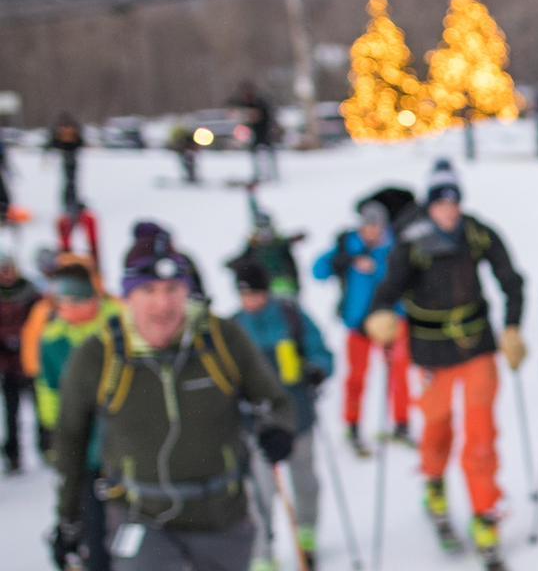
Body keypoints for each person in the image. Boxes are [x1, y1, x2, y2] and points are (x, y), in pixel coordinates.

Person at [50, 222, 295, 571]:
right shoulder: (99, 354)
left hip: (222, 516)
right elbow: (71, 437)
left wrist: (277, 428)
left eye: (172, 288)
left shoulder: (221, 338)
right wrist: (68, 518)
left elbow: (273, 400)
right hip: (141, 517)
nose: (162, 304)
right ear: (127, 295)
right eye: (148, 289)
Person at [364, 158, 525, 565]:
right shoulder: (411, 241)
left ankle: (484, 512)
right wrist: (380, 314)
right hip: (431, 350)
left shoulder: (476, 232)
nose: (449, 211)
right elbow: (387, 287)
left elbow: (511, 279)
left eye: (454, 202)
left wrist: (512, 327)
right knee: (436, 426)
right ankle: (434, 483)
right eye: (441, 203)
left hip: (477, 346)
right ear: (429, 204)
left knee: (481, 432)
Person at [230, 260, 332, 571]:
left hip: (296, 412)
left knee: (304, 479)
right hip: (256, 422)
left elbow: (319, 350)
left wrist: (316, 369)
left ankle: (306, 534)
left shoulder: (290, 316)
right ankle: (263, 553)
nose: (251, 301)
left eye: (256, 294)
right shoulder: (233, 327)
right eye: (245, 295)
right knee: (260, 493)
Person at [24, 255, 119, 571]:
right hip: (87, 452)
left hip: (131, 445)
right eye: (62, 302)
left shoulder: (121, 322)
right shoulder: (52, 340)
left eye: (76, 300)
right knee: (94, 532)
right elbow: (49, 392)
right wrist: (54, 432)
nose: (69, 308)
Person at [313, 194, 413, 454]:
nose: (372, 231)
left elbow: (402, 277)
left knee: (399, 374)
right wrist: (345, 260)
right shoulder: (347, 244)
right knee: (356, 378)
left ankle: (401, 423)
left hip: (390, 321)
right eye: (367, 225)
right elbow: (318, 270)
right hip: (358, 324)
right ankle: (353, 425)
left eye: (377, 226)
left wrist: (375, 267)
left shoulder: (394, 247)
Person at [0, 253, 41, 474]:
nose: (7, 273)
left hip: (30, 361)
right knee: (11, 413)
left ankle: (46, 447)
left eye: (9, 268)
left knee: (41, 408)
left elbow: (40, 320)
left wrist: (24, 337)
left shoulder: (29, 292)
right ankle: (13, 455)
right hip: (7, 364)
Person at [232, 82, 279, 184]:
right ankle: (257, 174)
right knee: (254, 154)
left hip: (264, 131)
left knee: (269, 153)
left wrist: (256, 117)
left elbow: (266, 117)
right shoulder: (244, 104)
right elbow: (235, 112)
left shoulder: (260, 103)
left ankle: (273, 175)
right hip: (252, 134)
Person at [48, 113, 83, 212]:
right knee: (69, 180)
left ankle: (71, 200)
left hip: (70, 156)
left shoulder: (69, 131)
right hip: (68, 156)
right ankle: (69, 201)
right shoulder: (65, 132)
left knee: (70, 180)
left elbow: (78, 142)